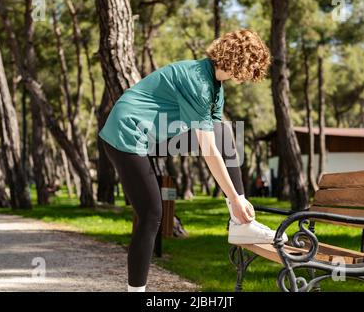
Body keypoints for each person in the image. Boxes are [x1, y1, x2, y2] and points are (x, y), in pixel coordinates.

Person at [98, 29, 287, 292]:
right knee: (151, 214)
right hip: (125, 134)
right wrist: (234, 197)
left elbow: (218, 139)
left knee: (225, 131)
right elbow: (208, 149)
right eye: (250, 69)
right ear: (239, 63)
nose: (247, 78)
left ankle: (240, 223)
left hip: (153, 134)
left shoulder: (215, 87)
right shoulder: (197, 82)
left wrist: (238, 199)